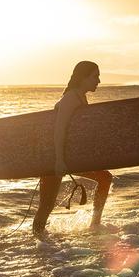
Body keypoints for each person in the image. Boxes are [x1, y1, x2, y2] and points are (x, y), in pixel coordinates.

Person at [32, 61, 112, 238]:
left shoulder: (80, 96)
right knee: (46, 207)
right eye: (95, 76)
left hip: (70, 158)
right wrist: (59, 160)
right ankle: (37, 242)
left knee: (105, 178)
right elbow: (59, 130)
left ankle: (95, 225)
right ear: (83, 78)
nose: (98, 80)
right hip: (56, 158)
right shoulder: (70, 98)